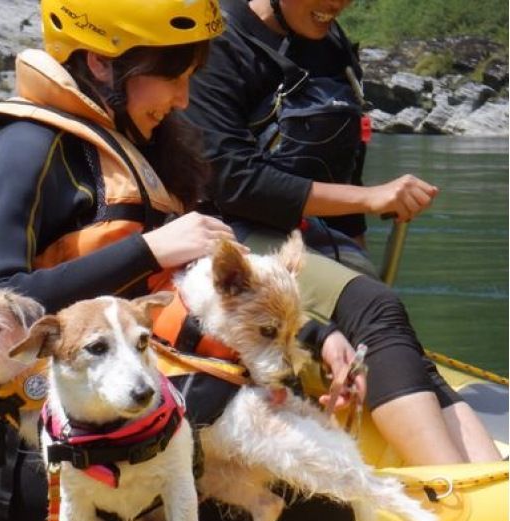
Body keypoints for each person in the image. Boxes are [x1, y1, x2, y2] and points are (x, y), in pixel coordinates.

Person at [0, 1, 366, 521]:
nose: (185, 99)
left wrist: (318, 336)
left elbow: (193, 297)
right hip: (41, 462)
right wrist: (149, 250)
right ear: (103, 65)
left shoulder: (142, 147)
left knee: (314, 506)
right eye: (175, 75)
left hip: (150, 421)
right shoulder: (23, 149)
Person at [184, 0, 501, 466]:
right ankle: (447, 483)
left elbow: (342, 159)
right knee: (377, 306)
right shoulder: (219, 43)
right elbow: (235, 181)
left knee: (382, 320)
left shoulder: (330, 45)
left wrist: (356, 252)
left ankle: (486, 481)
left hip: (313, 237)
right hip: (229, 236)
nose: (338, 3)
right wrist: (373, 200)